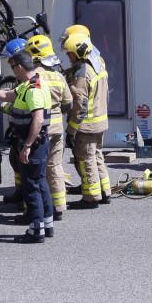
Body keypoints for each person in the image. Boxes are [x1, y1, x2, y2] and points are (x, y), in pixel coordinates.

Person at [0, 50, 54, 243]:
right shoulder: (30, 85)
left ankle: (36, 230)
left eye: (13, 67)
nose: (13, 71)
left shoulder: (33, 90)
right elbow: (6, 95)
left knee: (32, 186)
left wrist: (28, 145)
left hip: (34, 144)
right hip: (38, 143)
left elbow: (37, 120)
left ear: (20, 67)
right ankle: (47, 224)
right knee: (40, 182)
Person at [25, 34, 73, 221]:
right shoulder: (58, 76)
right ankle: (59, 207)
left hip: (39, 128)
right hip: (57, 128)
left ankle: (35, 210)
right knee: (55, 166)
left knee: (35, 171)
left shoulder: (31, 78)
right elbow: (68, 102)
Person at [62, 32, 110, 209]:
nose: (68, 56)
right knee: (97, 157)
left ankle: (90, 197)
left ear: (78, 52)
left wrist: (71, 130)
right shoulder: (97, 64)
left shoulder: (82, 75)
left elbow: (80, 105)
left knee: (85, 160)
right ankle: (105, 192)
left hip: (87, 125)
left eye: (70, 53)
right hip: (100, 122)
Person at [0, 38, 28, 207]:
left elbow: (18, 106)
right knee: (15, 160)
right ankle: (19, 191)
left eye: (11, 60)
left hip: (27, 130)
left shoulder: (28, 79)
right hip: (19, 128)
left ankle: (27, 202)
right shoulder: (20, 77)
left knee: (24, 165)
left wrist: (1, 106)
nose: (9, 63)